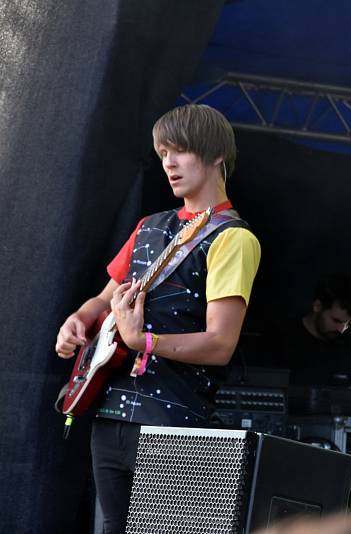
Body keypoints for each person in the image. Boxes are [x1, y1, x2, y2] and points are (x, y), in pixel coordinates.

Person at [55, 104, 261, 534]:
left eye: (181, 150)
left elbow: (221, 345)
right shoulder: (150, 225)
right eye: (163, 151)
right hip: (112, 416)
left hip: (177, 421)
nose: (168, 162)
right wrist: (77, 318)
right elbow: (103, 301)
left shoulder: (234, 238)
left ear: (216, 155)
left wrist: (144, 343)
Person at [272, 272, 351, 385]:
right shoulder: (280, 338)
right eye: (336, 321)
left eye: (347, 324)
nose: (341, 329)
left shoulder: (346, 347)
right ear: (317, 306)